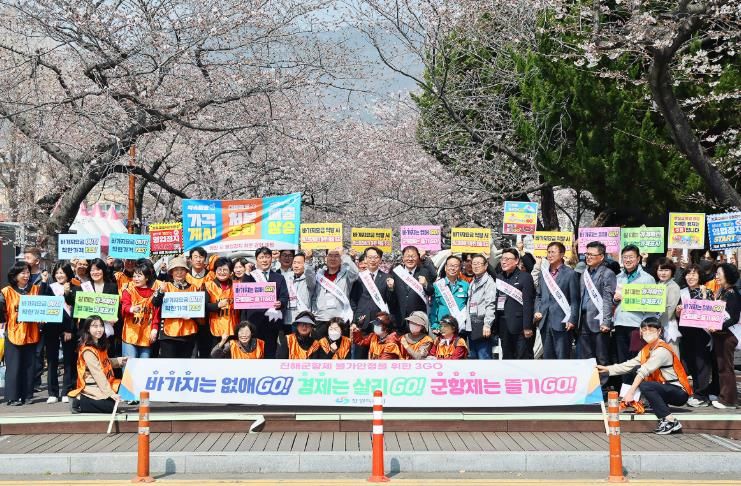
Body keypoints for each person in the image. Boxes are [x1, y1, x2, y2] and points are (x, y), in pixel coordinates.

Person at [597, 317, 692, 435]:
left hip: (679, 392)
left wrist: (630, 393)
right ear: (640, 332)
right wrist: (607, 369)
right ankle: (660, 412)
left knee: (646, 385)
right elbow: (630, 365)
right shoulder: (647, 349)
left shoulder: (662, 350)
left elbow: (643, 372)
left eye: (651, 330)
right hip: (665, 388)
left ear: (659, 331)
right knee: (638, 374)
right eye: (644, 329)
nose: (647, 332)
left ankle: (670, 421)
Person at [613, 245, 657, 384]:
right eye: (625, 257)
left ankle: (636, 390)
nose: (628, 260)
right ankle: (626, 389)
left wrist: (646, 327)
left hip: (637, 325)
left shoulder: (648, 279)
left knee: (636, 360)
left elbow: (652, 304)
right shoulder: (618, 277)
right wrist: (615, 299)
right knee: (623, 360)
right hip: (620, 323)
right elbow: (612, 301)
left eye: (631, 257)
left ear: (638, 259)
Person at [1, 262, 42, 405]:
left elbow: (44, 308)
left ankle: (27, 395)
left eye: (28, 272)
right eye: (22, 273)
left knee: (29, 366)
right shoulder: (6, 291)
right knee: (14, 366)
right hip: (13, 333)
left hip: (31, 333)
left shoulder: (36, 289)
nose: (26, 275)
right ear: (15, 275)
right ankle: (13, 397)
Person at [68, 316, 127, 413]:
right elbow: (98, 374)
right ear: (88, 329)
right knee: (111, 407)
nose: (99, 329)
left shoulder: (99, 343)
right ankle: (78, 401)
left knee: (125, 388)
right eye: (95, 326)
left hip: (107, 382)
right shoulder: (87, 350)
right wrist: (110, 393)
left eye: (101, 326)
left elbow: (104, 362)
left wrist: (120, 361)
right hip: (92, 386)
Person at [675, 264, 714, 407]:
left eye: (694, 274)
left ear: (700, 276)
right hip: (685, 332)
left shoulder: (707, 291)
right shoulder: (681, 292)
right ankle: (696, 392)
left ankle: (702, 395)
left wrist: (704, 296)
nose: (690, 277)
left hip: (701, 332)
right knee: (689, 363)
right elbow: (677, 314)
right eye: (688, 274)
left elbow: (711, 312)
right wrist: (678, 311)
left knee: (701, 364)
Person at [241, 247, 290, 359]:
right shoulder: (250, 276)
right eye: (261, 257)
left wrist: (280, 303)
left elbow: (284, 296)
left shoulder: (279, 277)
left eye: (267, 257)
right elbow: (243, 294)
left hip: (272, 321)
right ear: (256, 259)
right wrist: (247, 273)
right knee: (253, 353)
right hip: (253, 321)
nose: (264, 260)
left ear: (271, 259)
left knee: (270, 352)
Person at [535, 242, 580, 360]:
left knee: (562, 357)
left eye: (553, 252)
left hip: (562, 321)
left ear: (562, 254)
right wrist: (537, 310)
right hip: (545, 320)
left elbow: (575, 300)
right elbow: (539, 295)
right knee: (547, 357)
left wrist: (572, 319)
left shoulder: (570, 274)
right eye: (548, 252)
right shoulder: (543, 274)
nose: (550, 255)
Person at [42, 262, 78, 403]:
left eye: (62, 272)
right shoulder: (50, 287)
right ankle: (52, 392)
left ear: (68, 273)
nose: (59, 275)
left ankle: (66, 391)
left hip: (68, 327)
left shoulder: (75, 287)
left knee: (68, 360)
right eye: (57, 272)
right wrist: (44, 282)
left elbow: (74, 309)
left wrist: (69, 329)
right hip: (51, 327)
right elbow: (42, 301)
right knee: (52, 360)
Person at [578, 242, 617, 370]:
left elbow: (608, 299)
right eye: (587, 254)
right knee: (585, 356)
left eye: (592, 255)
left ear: (601, 257)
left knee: (601, 357)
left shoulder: (607, 273)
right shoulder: (584, 273)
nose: (588, 257)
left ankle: (602, 382)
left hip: (599, 320)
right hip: (583, 319)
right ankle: (589, 380)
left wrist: (606, 321)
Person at [154, 255, 202, 358]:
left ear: (186, 272)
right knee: (169, 364)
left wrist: (192, 315)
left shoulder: (193, 288)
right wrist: (161, 292)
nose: (179, 272)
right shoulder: (165, 286)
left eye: (182, 270)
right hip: (169, 332)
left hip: (188, 332)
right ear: (171, 272)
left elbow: (199, 309)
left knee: (186, 364)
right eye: (176, 270)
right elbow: (155, 303)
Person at [709, 263, 740, 409]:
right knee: (722, 367)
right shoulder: (723, 291)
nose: (716, 276)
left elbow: (734, 318)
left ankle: (728, 400)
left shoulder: (732, 294)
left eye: (719, 273)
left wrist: (718, 326)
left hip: (728, 335)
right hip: (721, 334)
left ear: (727, 275)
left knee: (726, 367)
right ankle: (724, 396)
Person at [495, 248, 535, 359]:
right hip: (503, 325)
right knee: (507, 358)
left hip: (519, 326)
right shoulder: (499, 277)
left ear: (516, 261)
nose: (504, 262)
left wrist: (527, 327)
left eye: (507, 259)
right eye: (502, 259)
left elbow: (528, 304)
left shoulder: (525, 277)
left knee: (522, 357)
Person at [312, 247, 359, 338]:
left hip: (340, 319)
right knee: (320, 346)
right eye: (330, 255)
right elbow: (313, 296)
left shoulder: (346, 275)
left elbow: (355, 273)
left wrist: (344, 255)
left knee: (341, 347)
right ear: (326, 257)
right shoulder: (318, 275)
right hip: (321, 318)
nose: (333, 258)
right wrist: (315, 312)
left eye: (337, 255)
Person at [387, 246, 435, 332]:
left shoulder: (424, 272)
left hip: (418, 320)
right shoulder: (396, 272)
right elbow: (390, 297)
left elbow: (431, 291)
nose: (410, 259)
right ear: (403, 258)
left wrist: (425, 284)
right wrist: (390, 288)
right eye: (407, 256)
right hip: (399, 319)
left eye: (413, 256)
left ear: (418, 257)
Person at [121, 259, 161, 359]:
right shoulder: (128, 290)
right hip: (130, 334)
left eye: (139, 276)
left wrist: (154, 329)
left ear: (146, 278)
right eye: (134, 276)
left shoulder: (154, 294)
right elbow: (124, 307)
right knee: (129, 364)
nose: (136, 279)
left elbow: (156, 314)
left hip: (146, 335)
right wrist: (131, 309)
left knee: (144, 365)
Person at [350, 247, 392, 334]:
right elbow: (353, 301)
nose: (373, 260)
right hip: (361, 321)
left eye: (376, 257)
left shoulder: (387, 277)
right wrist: (354, 320)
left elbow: (391, 300)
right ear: (365, 259)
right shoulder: (359, 277)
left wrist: (391, 288)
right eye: (370, 257)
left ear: (380, 259)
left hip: (380, 322)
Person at [204, 257, 239, 355]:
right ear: (215, 271)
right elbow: (204, 306)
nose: (222, 272)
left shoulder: (237, 286)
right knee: (215, 356)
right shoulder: (208, 285)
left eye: (225, 270)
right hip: (215, 329)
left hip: (234, 328)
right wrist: (217, 305)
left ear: (231, 272)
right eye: (219, 269)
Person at [430, 256, 469, 336]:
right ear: (445, 268)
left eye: (456, 266)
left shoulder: (466, 285)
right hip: (442, 328)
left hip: (460, 328)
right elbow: (434, 307)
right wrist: (434, 325)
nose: (453, 268)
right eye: (450, 265)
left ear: (460, 269)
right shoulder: (437, 285)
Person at [467, 254, 497, 359]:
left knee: (484, 358)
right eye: (474, 264)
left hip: (482, 326)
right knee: (473, 358)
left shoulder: (489, 282)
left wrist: (487, 324)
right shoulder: (473, 281)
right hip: (472, 326)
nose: (476, 266)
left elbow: (490, 304)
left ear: (485, 266)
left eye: (479, 264)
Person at [655, 258, 682, 356]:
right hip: (657, 325)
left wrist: (656, 324)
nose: (663, 273)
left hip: (668, 326)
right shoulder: (656, 284)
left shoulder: (673, 286)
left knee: (671, 354)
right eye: (660, 270)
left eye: (666, 270)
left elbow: (670, 309)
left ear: (672, 271)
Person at [283, 251, 316, 329]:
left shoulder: (309, 280)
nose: (296, 266)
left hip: (302, 320)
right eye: (294, 263)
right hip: (287, 319)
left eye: (299, 263)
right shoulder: (286, 277)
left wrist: (308, 260)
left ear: (305, 264)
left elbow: (310, 273)